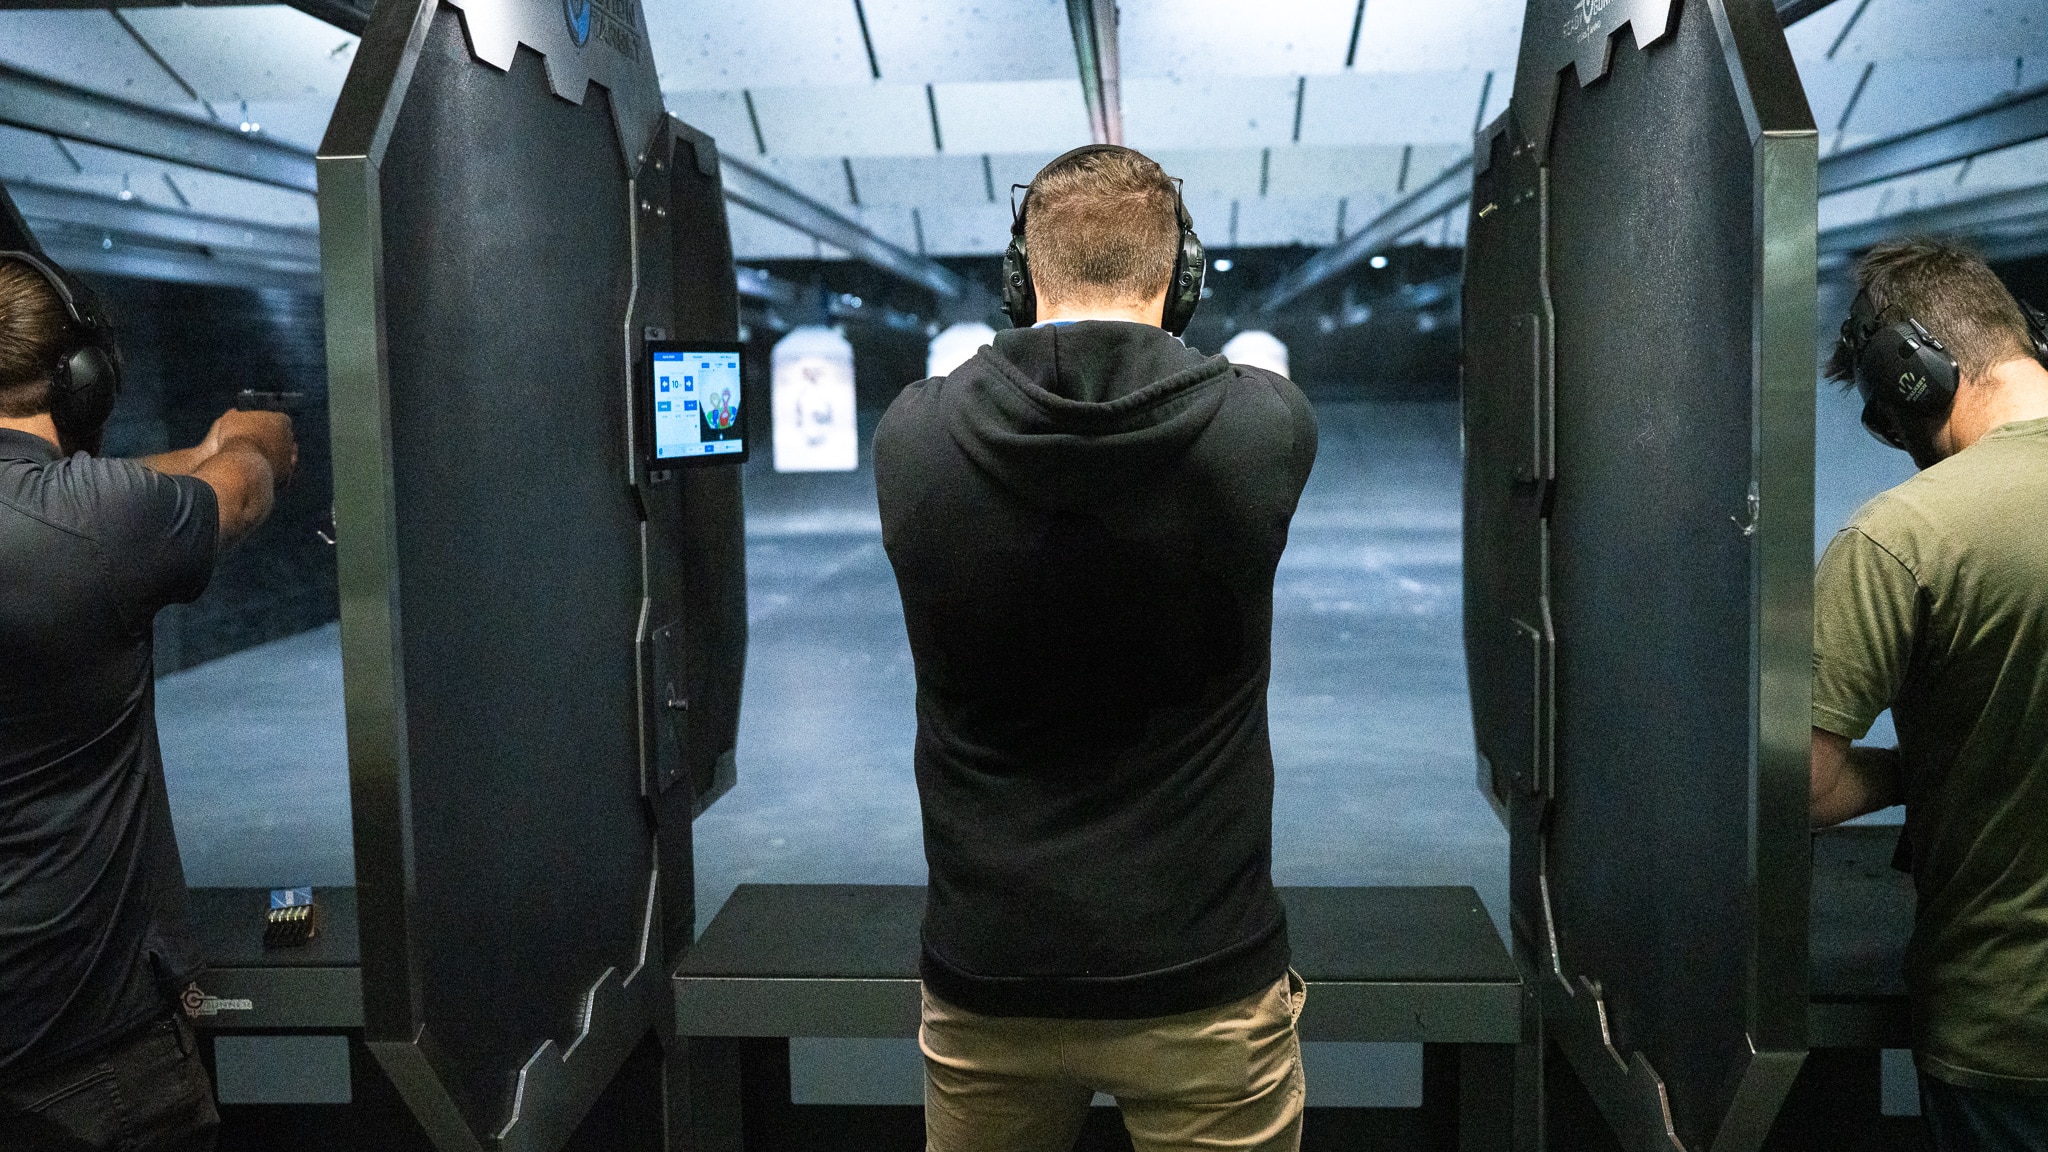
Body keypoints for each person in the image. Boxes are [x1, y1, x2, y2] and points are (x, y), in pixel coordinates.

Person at [874, 145, 1318, 1152]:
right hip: (1203, 979)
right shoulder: (1264, 427)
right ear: (1183, 281)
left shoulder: (911, 436)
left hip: (988, 975)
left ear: (1018, 279)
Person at [0, 252, 298, 1151]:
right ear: (85, 379)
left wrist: (198, 452)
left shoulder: (84, 519)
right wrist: (248, 442)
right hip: (85, 1062)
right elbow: (238, 498)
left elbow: (86, 501)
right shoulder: (97, 524)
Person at [1809, 238, 2048, 1149]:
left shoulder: (1904, 537)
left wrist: (1936, 761)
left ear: (1909, 375)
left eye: (1882, 414)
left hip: (2009, 1029)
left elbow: (1806, 783)